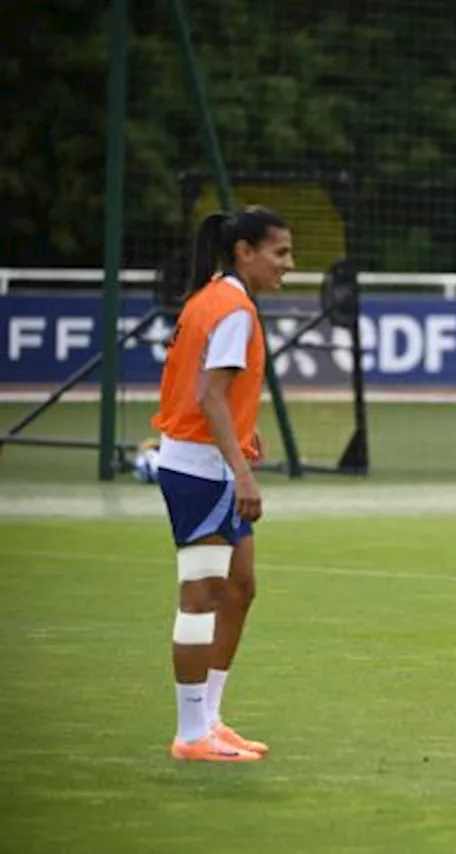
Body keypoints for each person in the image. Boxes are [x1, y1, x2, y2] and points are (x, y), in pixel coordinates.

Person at [151, 205, 293, 761]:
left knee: (239, 588)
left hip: (207, 465)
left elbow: (217, 397)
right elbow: (209, 396)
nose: (288, 264)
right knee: (200, 598)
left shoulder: (214, 297)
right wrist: (243, 474)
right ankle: (190, 735)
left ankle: (210, 719)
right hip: (202, 471)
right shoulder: (232, 308)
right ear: (245, 252)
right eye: (280, 252)